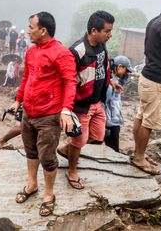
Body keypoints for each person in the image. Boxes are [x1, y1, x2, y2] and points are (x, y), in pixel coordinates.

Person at [8, 11, 76, 217]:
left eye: (31, 27)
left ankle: (48, 194)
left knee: (47, 156)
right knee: (30, 151)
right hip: (29, 112)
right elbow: (26, 78)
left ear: (43, 30)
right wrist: (18, 100)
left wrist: (66, 110)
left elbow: (70, 82)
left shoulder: (61, 53)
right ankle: (32, 185)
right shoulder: (31, 51)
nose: (28, 31)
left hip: (49, 116)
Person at [58, 11, 115, 190]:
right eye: (107, 31)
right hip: (82, 104)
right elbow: (67, 79)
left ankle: (65, 150)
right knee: (79, 141)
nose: (110, 34)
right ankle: (72, 171)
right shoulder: (77, 51)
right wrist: (67, 108)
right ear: (93, 30)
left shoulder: (101, 45)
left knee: (98, 137)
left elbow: (102, 69)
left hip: (98, 102)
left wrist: (110, 80)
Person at [131, 7, 161, 175]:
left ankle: (139, 153)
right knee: (149, 121)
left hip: (147, 77)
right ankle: (139, 158)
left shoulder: (155, 21)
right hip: (156, 81)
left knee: (141, 116)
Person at [104, 56, 133, 152]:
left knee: (112, 144)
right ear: (120, 67)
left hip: (114, 119)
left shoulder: (116, 80)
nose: (126, 74)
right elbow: (106, 102)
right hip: (109, 120)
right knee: (111, 145)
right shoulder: (111, 81)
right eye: (126, 70)